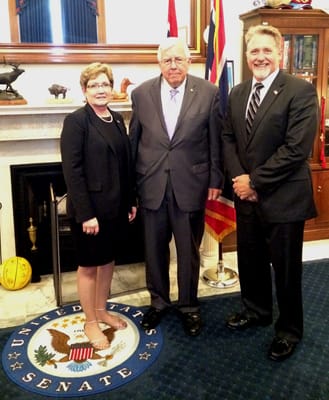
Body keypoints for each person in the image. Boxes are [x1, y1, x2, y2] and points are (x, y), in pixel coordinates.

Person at [222, 25, 319, 361]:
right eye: (254, 51)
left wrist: (255, 182)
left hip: (284, 198)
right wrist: (238, 178)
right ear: (247, 55)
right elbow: (228, 138)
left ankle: (289, 329)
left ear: (280, 52)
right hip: (246, 196)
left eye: (266, 50)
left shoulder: (300, 90)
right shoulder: (236, 93)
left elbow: (296, 149)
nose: (260, 57)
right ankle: (256, 311)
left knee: (287, 269)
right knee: (249, 261)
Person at [129, 37, 223, 336]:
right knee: (154, 249)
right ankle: (158, 303)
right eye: (167, 60)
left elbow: (215, 141)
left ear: (189, 62)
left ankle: (188, 305)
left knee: (188, 250)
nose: (173, 65)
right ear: (159, 63)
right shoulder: (141, 94)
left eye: (179, 59)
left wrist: (215, 179)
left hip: (191, 185)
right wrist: (132, 186)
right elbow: (134, 142)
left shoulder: (208, 92)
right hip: (151, 184)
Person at [60, 62, 137, 350]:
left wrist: (131, 200)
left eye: (105, 84)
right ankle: (90, 321)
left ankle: (102, 309)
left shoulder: (117, 119)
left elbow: (125, 164)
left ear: (112, 87)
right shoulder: (77, 121)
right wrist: (86, 213)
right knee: (89, 266)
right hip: (91, 212)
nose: (100, 89)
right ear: (84, 90)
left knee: (108, 261)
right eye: (94, 85)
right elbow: (73, 170)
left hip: (116, 209)